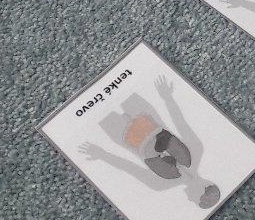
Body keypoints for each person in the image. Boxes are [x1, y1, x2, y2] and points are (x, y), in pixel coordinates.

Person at [80, 74, 220, 208]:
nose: (189, 199)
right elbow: (180, 122)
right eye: (194, 199)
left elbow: (129, 167)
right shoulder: (196, 150)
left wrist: (102, 155)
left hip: (122, 135)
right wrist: (167, 97)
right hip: (145, 114)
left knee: (92, 107)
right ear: (202, 188)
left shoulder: (159, 185)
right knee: (120, 86)